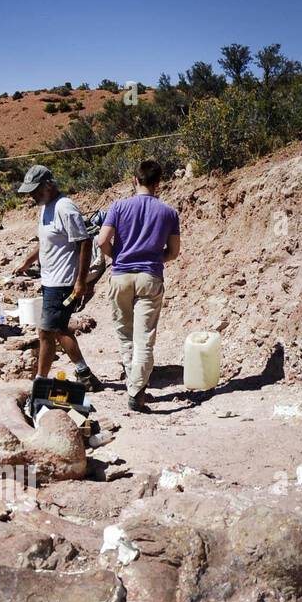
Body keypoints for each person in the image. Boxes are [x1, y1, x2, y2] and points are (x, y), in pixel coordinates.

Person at [98, 158, 180, 412]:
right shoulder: (168, 212)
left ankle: (133, 381)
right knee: (144, 338)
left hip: (121, 275)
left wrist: (118, 257)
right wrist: (155, 259)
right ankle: (136, 391)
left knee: (125, 332)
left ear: (135, 179)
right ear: (158, 183)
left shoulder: (119, 207)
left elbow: (102, 241)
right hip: (150, 277)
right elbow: (174, 252)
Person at [14, 165, 103, 392]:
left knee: (48, 331)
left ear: (49, 185)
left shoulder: (65, 208)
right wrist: (28, 261)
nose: (33, 196)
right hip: (49, 280)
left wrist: (81, 281)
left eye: (36, 190)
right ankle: (84, 374)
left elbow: (84, 242)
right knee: (57, 329)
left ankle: (41, 381)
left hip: (63, 282)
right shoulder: (45, 208)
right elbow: (45, 242)